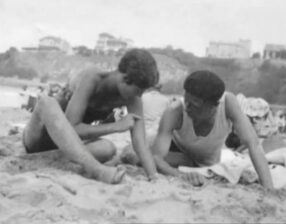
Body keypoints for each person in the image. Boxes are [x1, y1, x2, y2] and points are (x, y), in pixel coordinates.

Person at [23, 48, 159, 184]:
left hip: (62, 149)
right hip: (37, 138)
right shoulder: (92, 77)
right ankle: (97, 171)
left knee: (108, 148)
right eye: (138, 90)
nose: (140, 95)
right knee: (47, 102)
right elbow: (71, 128)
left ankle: (46, 160)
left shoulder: (132, 97)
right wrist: (116, 126)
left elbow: (140, 143)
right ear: (124, 78)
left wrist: (153, 177)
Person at [151, 70, 273, 188]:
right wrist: (180, 176)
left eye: (194, 105)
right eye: (186, 100)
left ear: (214, 106)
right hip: (176, 152)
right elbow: (156, 158)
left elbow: (253, 143)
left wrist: (269, 188)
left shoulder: (228, 103)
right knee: (137, 156)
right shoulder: (175, 111)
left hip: (206, 163)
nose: (187, 108)